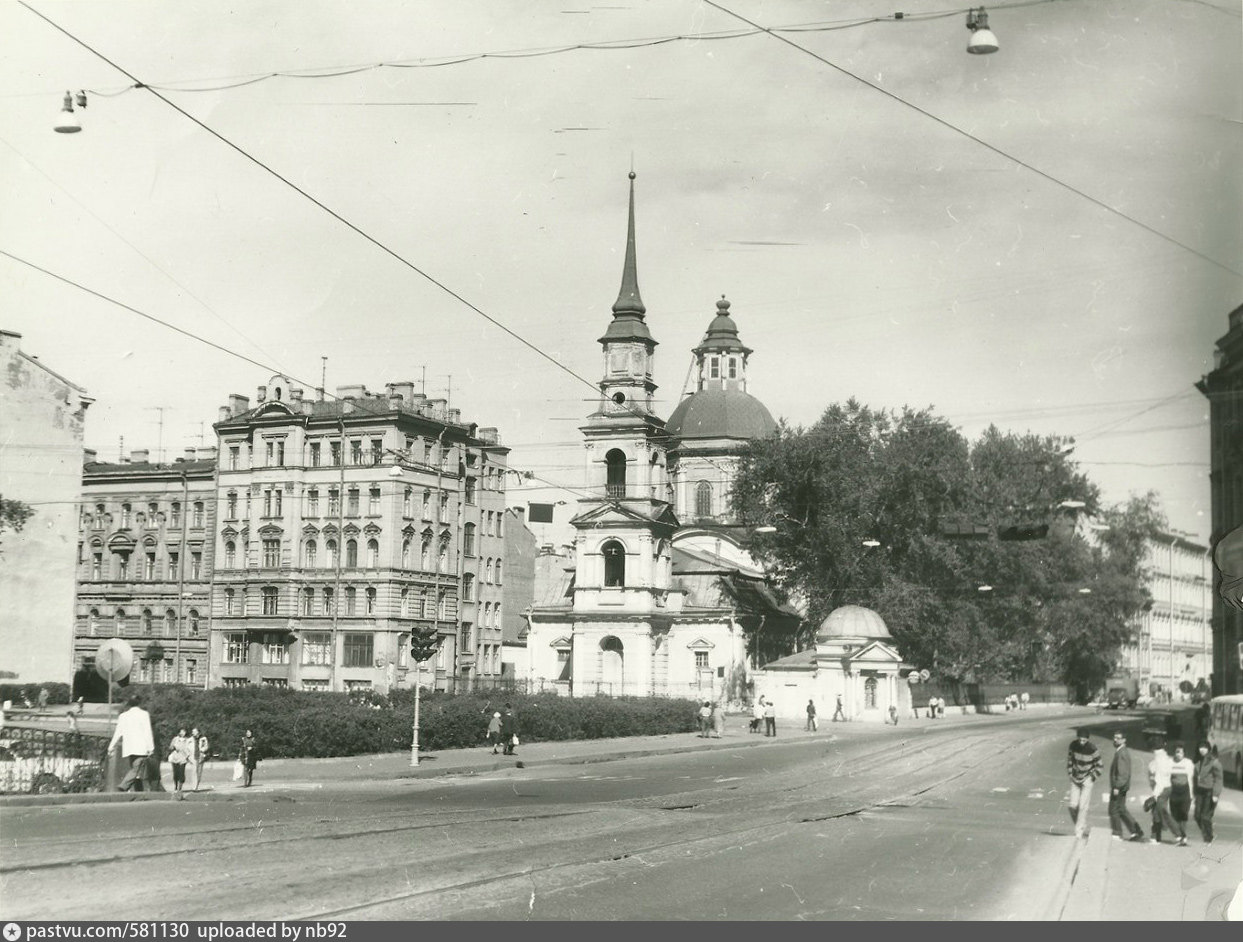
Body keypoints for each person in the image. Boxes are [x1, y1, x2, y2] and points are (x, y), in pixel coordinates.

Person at [108, 691, 155, 792]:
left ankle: (138, 791)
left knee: (136, 768)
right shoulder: (144, 714)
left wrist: (111, 746)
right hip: (141, 747)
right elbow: (147, 731)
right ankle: (123, 786)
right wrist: (151, 748)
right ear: (139, 703)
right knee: (136, 769)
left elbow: (118, 732)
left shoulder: (123, 716)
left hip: (129, 747)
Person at [1107, 731, 1144, 841]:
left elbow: (1123, 773)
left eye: (1118, 738)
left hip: (1119, 786)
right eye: (1114, 737)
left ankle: (1117, 833)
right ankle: (1136, 831)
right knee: (1121, 809)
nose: (1115, 740)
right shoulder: (1121, 751)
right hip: (1122, 786)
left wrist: (1117, 787)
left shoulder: (1121, 753)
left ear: (1124, 740)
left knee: (1113, 809)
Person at [1066, 728, 1103, 838]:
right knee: (1072, 805)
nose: (1082, 742)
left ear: (1087, 739)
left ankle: (1079, 830)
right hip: (1075, 778)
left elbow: (1100, 766)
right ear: (1077, 738)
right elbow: (1070, 760)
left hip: (1087, 778)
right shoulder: (1073, 745)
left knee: (1083, 806)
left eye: (1084, 740)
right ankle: (1081, 823)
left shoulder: (1092, 749)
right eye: (1080, 740)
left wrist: (1092, 777)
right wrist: (1070, 773)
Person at [1193, 740, 1223, 844]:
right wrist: (1193, 793)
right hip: (1199, 791)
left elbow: (1219, 779)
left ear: (1209, 749)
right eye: (1200, 747)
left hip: (1209, 792)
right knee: (1197, 815)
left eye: (1204, 747)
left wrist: (1215, 794)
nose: (1202, 749)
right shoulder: (1197, 760)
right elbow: (1194, 777)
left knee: (1205, 816)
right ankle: (1207, 833)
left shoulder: (1214, 762)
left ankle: (1208, 837)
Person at [1147, 740, 1176, 843]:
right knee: (1157, 812)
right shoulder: (1165, 759)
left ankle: (1176, 834)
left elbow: (1159, 780)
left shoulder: (1159, 761)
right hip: (1165, 788)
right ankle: (1156, 836)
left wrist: (1154, 794)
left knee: (1158, 812)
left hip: (1161, 789)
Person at [1167, 742, 1195, 846]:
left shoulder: (1188, 763)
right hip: (1174, 791)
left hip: (1185, 791)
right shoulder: (1170, 763)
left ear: (1184, 754)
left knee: (1183, 814)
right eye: (1176, 752)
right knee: (1174, 815)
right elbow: (1166, 777)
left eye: (1181, 752)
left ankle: (1183, 836)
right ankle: (1178, 836)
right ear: (1174, 753)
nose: (1178, 754)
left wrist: (1192, 794)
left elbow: (1191, 780)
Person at [168, 727, 194, 798]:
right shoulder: (175, 739)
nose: (182, 733)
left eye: (184, 731)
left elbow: (189, 749)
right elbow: (170, 747)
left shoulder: (188, 740)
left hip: (183, 759)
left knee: (181, 773)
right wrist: (173, 747)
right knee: (175, 774)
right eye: (181, 731)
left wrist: (188, 756)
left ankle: (180, 788)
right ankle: (176, 787)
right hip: (175, 758)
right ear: (179, 732)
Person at [190, 727, 209, 791]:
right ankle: (194, 787)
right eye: (192, 731)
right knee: (194, 772)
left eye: (194, 731)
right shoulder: (191, 739)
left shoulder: (203, 738)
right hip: (193, 757)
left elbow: (206, 746)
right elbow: (187, 747)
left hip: (200, 756)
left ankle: (196, 785)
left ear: (198, 732)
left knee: (199, 772)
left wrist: (202, 750)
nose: (193, 733)